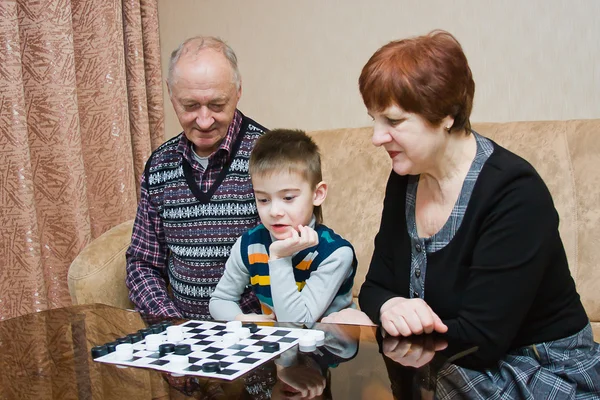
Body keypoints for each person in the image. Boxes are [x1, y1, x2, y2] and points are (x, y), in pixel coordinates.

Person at [323, 30, 600, 396]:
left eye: (393, 120)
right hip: (447, 361)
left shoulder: (515, 193)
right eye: (373, 119)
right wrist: (390, 306)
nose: (376, 136)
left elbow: (482, 338)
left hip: (534, 367)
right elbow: (375, 287)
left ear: (447, 115)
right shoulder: (404, 177)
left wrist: (385, 327)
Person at [125, 36, 268, 319]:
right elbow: (143, 264)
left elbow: (299, 258)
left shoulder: (270, 157)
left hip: (255, 334)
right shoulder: (160, 166)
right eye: (190, 106)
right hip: (181, 334)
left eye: (217, 105)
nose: (204, 121)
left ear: (238, 91)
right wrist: (172, 322)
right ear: (170, 93)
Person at [209, 129, 357, 323]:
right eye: (263, 199)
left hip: (328, 347)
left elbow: (296, 323)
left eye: (288, 198)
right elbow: (220, 299)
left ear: (317, 194)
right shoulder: (249, 244)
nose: (274, 211)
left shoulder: (335, 254)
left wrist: (280, 257)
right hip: (278, 346)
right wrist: (241, 319)